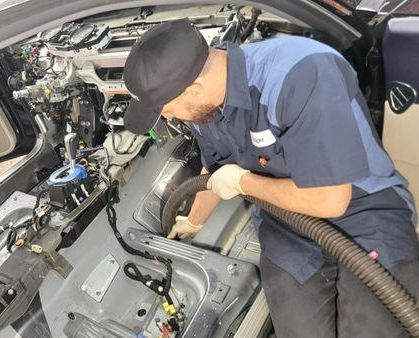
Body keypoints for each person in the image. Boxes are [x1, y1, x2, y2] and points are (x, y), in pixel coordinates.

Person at [122, 19, 419, 337]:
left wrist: (244, 184)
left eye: (166, 109)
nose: (167, 118)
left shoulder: (300, 72)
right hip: (285, 224)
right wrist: (193, 222)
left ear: (194, 89)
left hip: (364, 211)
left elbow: (331, 199)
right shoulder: (202, 107)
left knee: (370, 328)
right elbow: (215, 170)